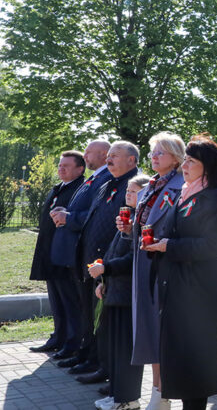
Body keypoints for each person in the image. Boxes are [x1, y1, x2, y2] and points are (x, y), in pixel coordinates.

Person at [144, 137, 217, 410]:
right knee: (181, 354)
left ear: (208, 166)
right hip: (180, 284)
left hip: (200, 288)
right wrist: (157, 243)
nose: (184, 166)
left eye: (191, 161)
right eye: (185, 160)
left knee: (195, 355)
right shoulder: (188, 192)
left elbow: (214, 245)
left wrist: (168, 246)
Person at [71, 141, 140, 384]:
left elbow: (127, 231)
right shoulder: (107, 183)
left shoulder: (135, 186)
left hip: (113, 265)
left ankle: (106, 368)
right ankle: (92, 358)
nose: (108, 159)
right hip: (94, 261)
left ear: (131, 160)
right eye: (108, 155)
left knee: (104, 320)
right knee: (91, 314)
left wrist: (108, 264)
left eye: (114, 156)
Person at [129, 132, 185, 410]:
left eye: (160, 152)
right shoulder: (151, 185)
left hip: (165, 267)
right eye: (152, 152)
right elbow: (144, 226)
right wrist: (128, 229)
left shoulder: (182, 186)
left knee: (161, 333)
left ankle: (163, 394)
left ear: (176, 158)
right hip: (145, 264)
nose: (153, 157)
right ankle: (158, 391)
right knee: (151, 332)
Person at [51, 140, 112, 371]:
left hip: (94, 255)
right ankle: (83, 353)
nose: (84, 155)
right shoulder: (96, 177)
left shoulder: (106, 178)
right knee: (84, 309)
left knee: (89, 309)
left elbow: (97, 215)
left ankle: (89, 356)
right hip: (79, 252)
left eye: (88, 152)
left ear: (104, 154)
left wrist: (70, 218)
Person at [91, 174, 150, 410]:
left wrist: (107, 268)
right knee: (115, 347)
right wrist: (103, 280)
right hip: (115, 290)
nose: (128, 195)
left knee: (126, 349)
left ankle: (127, 399)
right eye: (127, 191)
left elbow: (134, 259)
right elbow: (113, 251)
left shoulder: (143, 220)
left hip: (128, 295)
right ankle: (116, 394)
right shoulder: (128, 218)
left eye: (134, 191)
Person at [28, 151, 85, 357]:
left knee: (70, 302)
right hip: (49, 253)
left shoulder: (80, 189)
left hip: (65, 255)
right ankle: (57, 338)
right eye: (60, 165)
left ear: (80, 169)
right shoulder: (59, 187)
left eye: (66, 166)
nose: (61, 169)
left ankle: (72, 343)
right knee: (56, 301)